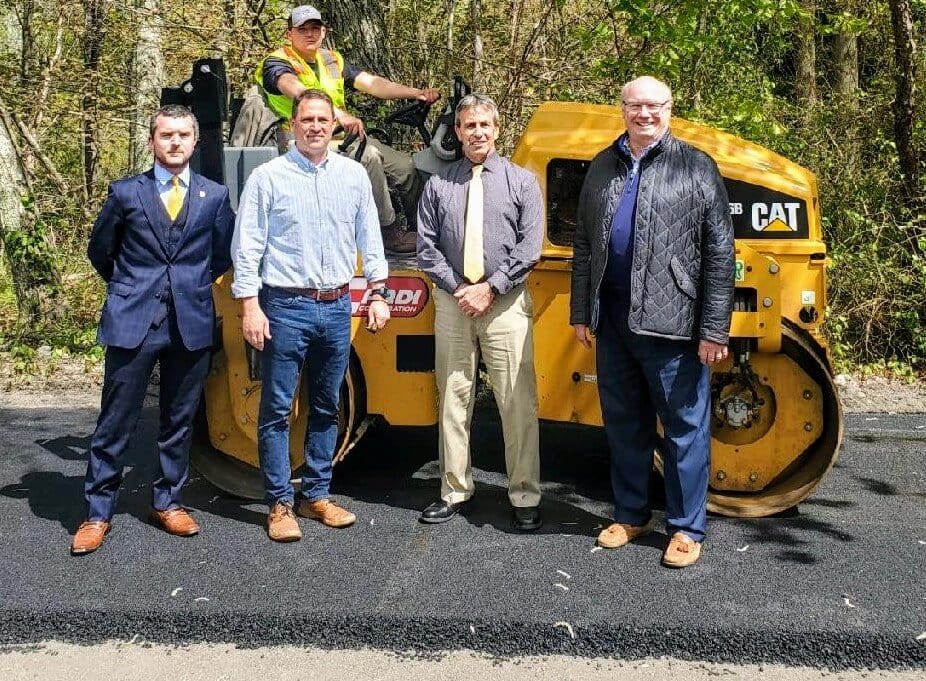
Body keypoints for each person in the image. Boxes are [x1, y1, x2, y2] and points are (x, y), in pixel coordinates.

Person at [570, 76, 734, 568]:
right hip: (614, 318)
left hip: (675, 322)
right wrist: (581, 311)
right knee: (624, 424)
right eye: (635, 106)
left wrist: (713, 328)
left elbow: (721, 252)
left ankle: (685, 529)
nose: (645, 114)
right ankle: (631, 513)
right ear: (621, 109)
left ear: (670, 109)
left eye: (654, 106)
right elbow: (583, 243)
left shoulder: (696, 167)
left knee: (684, 427)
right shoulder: (602, 164)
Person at [72, 105, 235, 555]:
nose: (176, 142)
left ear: (195, 141)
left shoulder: (215, 196)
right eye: (167, 135)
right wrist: (131, 288)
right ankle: (97, 512)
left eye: (184, 134)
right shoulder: (125, 193)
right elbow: (100, 250)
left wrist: (189, 287)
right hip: (133, 320)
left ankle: (168, 502)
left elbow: (221, 255)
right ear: (152, 141)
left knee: (178, 421)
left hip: (191, 322)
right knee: (115, 421)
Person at [231, 89, 391, 543]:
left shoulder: (354, 176)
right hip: (284, 306)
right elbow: (248, 246)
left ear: (334, 126)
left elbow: (370, 238)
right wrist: (249, 304)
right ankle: (280, 504)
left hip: (337, 306)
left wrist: (378, 293)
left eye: (324, 119)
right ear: (293, 125)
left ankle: (317, 495)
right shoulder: (268, 178)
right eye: (307, 120)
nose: (316, 127)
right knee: (277, 408)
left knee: (326, 406)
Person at [417, 94, 544, 531]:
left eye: (484, 125)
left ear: (497, 128)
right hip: (453, 304)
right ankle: (454, 490)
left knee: (516, 402)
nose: (477, 133)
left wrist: (491, 288)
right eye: (468, 126)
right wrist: (459, 290)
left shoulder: (522, 182)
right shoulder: (439, 184)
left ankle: (524, 494)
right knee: (453, 398)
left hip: (505, 305)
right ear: (457, 132)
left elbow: (530, 249)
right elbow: (427, 248)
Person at [257, 5, 440, 253]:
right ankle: (389, 233)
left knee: (406, 167)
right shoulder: (277, 62)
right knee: (370, 158)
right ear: (290, 34)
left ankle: (422, 230)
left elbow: (373, 84)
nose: (310, 34)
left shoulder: (331, 60)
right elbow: (293, 87)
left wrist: (415, 93)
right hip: (301, 143)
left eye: (315, 28)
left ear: (323, 32)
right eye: (303, 29)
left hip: (343, 138)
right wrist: (336, 113)